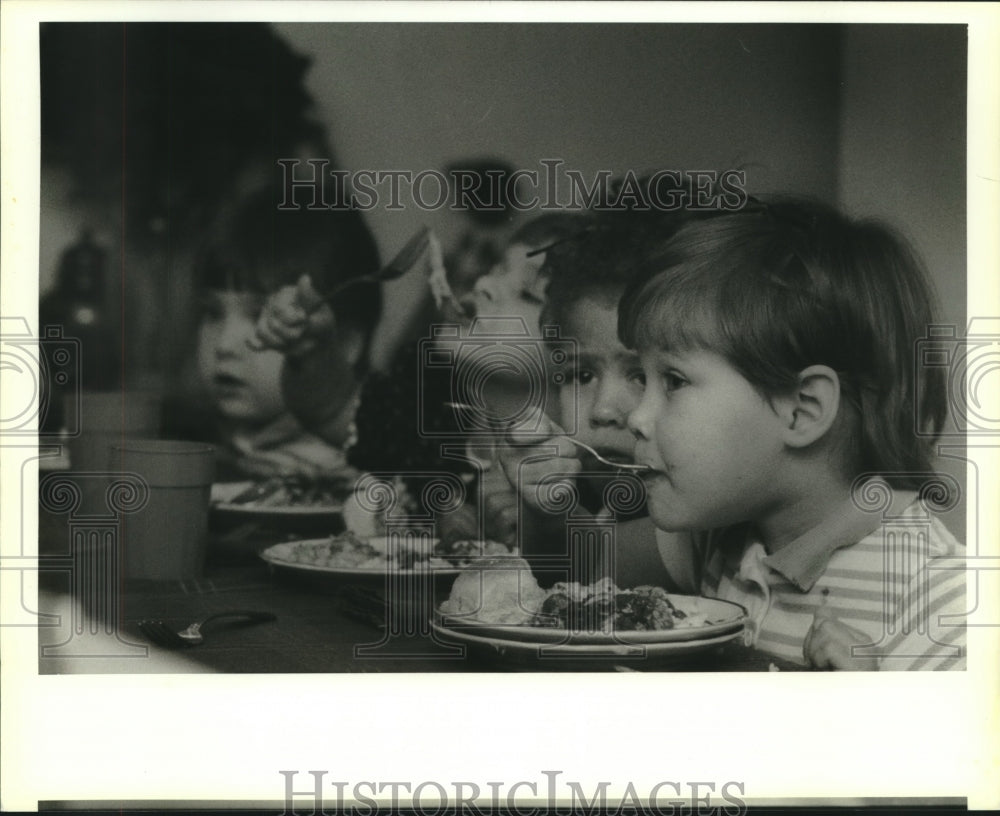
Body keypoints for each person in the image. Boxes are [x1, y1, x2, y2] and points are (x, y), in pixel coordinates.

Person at [614, 197, 965, 670]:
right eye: (643, 378)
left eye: (673, 382)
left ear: (802, 410)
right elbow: (582, 565)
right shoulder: (719, 535)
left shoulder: (941, 599)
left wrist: (875, 711)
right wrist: (544, 509)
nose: (637, 416)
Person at [164, 184, 381, 481]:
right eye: (213, 313)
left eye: (261, 317)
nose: (225, 344)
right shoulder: (200, 440)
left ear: (344, 345)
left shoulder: (371, 468)